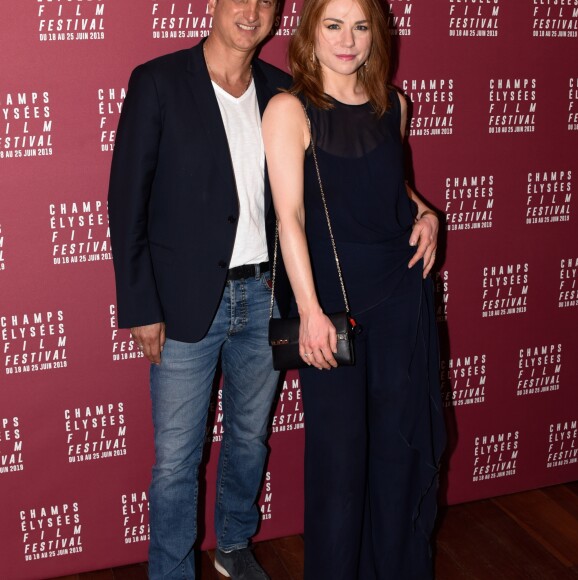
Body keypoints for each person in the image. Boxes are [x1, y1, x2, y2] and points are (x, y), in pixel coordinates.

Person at [262, 0, 446, 577]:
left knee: (396, 456)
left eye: (361, 26)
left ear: (377, 33)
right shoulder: (289, 110)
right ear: (311, 34)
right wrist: (311, 311)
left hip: (400, 302)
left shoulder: (396, 105)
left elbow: (392, 185)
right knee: (339, 470)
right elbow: (289, 217)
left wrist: (426, 214)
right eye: (334, 26)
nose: (349, 41)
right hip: (333, 315)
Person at [107, 0, 291, 577]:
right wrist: (141, 305)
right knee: (175, 462)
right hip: (185, 304)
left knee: (249, 439)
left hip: (265, 297)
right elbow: (125, 202)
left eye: (267, 0)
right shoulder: (157, 82)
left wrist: (415, 206)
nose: (252, 9)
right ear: (211, 4)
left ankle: (234, 546)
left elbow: (332, 175)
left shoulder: (284, 92)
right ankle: (170, 570)